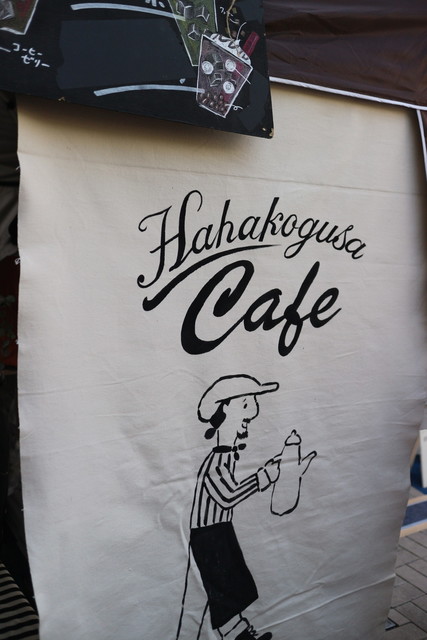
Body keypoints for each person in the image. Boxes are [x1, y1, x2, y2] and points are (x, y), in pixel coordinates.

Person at [177, 374, 283, 640]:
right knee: (224, 592)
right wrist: (263, 478)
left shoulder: (226, 457)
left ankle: (240, 633)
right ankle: (239, 635)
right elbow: (227, 496)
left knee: (231, 590)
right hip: (210, 537)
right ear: (224, 410)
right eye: (245, 405)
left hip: (219, 532)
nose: (250, 415)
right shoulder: (217, 460)